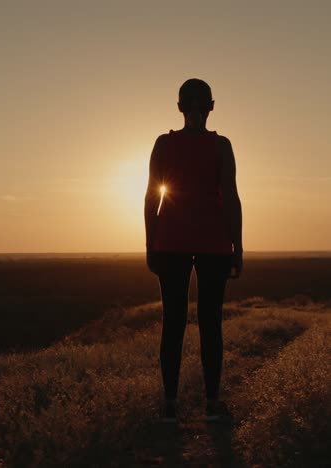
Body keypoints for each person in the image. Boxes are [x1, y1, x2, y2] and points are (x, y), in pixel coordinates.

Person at [144, 78, 243, 423]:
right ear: (212, 106)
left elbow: (152, 197)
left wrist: (149, 243)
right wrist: (238, 245)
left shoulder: (162, 144)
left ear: (180, 107)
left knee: (173, 323)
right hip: (215, 244)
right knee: (210, 322)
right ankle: (212, 403)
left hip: (169, 243)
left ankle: (170, 405)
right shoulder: (222, 146)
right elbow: (230, 197)